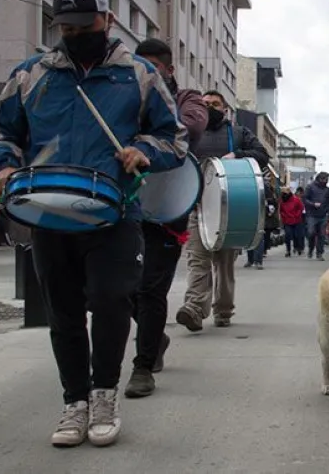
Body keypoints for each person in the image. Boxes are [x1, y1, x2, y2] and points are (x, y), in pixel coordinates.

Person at [0, 0, 188, 448]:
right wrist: (6, 164)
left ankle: (103, 394)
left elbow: (173, 137)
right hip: (48, 210)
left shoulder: (138, 75)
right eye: (66, 28)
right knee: (64, 311)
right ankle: (74, 402)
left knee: (113, 301)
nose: (75, 34)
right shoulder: (33, 74)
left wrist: (141, 150)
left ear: (107, 21)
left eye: (85, 25)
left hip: (114, 210)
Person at [124, 38, 208, 399]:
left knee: (150, 289)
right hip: (126, 203)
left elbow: (190, 128)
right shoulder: (125, 95)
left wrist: (142, 136)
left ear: (168, 70)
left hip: (167, 209)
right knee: (118, 289)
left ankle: (142, 366)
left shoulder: (189, 99)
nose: (142, 74)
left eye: (151, 67)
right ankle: (154, 336)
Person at [177, 91, 269, 330]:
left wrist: (237, 154)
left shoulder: (238, 133)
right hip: (197, 206)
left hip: (229, 209)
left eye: (214, 104)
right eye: (205, 104)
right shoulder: (189, 133)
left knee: (224, 265)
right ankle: (195, 309)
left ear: (225, 109)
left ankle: (223, 311)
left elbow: (262, 155)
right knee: (198, 261)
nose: (209, 107)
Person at [246, 181, 279, 269]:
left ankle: (256, 261)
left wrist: (268, 207)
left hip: (259, 214)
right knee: (251, 238)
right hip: (252, 213)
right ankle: (252, 260)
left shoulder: (261, 185)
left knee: (258, 238)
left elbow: (271, 200)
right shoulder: (258, 184)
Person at [303, 172, 329, 260]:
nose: (326, 181)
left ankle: (319, 253)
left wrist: (327, 211)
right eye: (324, 179)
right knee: (311, 233)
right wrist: (313, 204)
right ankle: (311, 249)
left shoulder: (327, 190)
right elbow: (305, 199)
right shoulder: (310, 187)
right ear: (319, 179)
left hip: (323, 215)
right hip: (312, 214)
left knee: (322, 235)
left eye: (327, 179)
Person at [280, 186, 305, 257]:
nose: (283, 195)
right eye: (283, 193)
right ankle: (288, 250)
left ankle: (297, 247)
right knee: (287, 235)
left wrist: (297, 215)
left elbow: (301, 208)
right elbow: (281, 210)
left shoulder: (296, 199)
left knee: (296, 235)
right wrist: (284, 217)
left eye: (285, 193)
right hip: (287, 221)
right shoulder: (282, 201)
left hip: (296, 220)